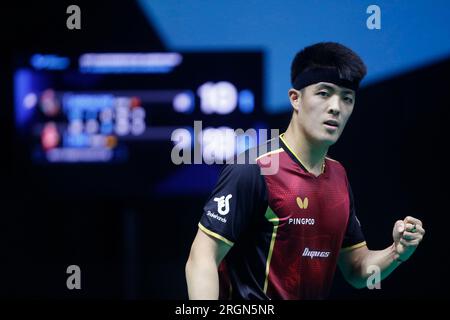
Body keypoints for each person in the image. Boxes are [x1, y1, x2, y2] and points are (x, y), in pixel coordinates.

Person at [185, 42, 425, 300]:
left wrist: (396, 252)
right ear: (295, 99)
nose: (336, 107)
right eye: (324, 93)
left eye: (347, 98)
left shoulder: (338, 176)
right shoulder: (254, 168)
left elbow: (356, 269)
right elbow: (202, 257)